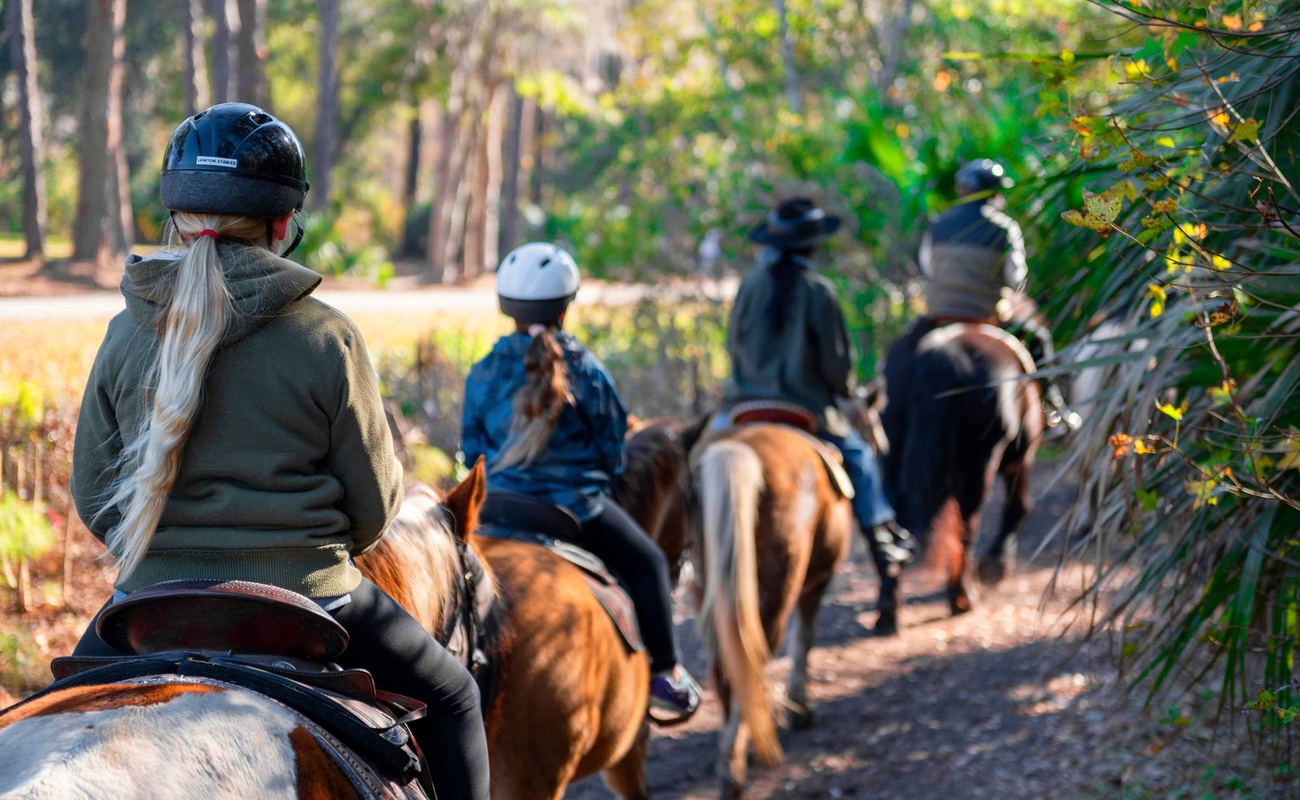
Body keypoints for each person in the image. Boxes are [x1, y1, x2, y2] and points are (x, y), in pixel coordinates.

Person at [68, 102, 489, 800]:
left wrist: (164, 551)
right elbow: (374, 508)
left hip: (150, 600)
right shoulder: (328, 337)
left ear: (175, 219)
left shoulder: (124, 331)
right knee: (454, 700)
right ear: (284, 223)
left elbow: (93, 496)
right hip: (310, 597)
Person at [460, 242, 702, 724]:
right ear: (566, 305)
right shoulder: (587, 370)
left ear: (506, 306)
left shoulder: (484, 369)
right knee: (650, 562)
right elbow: (613, 453)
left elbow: (472, 451)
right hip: (573, 510)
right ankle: (665, 675)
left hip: (498, 509)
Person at [722, 198, 915, 583]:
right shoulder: (819, 291)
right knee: (858, 459)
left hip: (744, 407)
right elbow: (836, 366)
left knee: (697, 459)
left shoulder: (749, 285)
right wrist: (847, 393)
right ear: (812, 246)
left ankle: (685, 551)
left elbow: (733, 346)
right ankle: (881, 540)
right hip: (806, 410)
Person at [918, 158, 1078, 431]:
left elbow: (928, 267)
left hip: (939, 317)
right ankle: (1052, 410)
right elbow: (1016, 280)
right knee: (1038, 340)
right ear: (995, 193)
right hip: (986, 317)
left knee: (899, 353)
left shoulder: (938, 225)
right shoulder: (1004, 229)